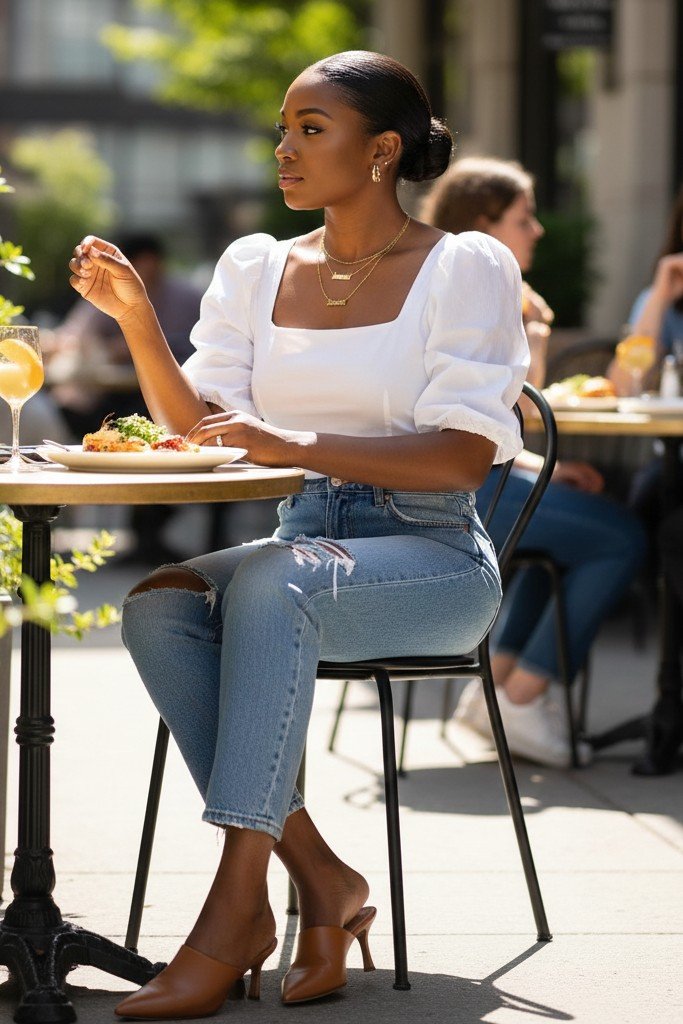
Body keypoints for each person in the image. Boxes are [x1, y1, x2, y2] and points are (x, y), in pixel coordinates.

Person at [69, 52, 528, 1018]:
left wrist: (289, 440)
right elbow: (200, 427)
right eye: (284, 127)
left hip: (432, 559)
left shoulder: (464, 268)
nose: (284, 147)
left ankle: (235, 910)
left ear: (381, 151)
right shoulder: (258, 265)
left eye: (311, 129)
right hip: (303, 543)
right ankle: (323, 878)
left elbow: (457, 462)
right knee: (160, 605)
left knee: (272, 583)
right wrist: (139, 321)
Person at [421, 156, 647, 768]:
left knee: (569, 536)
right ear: (485, 225)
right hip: (470, 496)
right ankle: (523, 696)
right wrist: (538, 340)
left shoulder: (426, 275)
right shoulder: (491, 292)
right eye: (525, 217)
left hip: (450, 484)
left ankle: (495, 688)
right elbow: (506, 413)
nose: (538, 230)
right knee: (621, 537)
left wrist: (531, 463)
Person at [55, 233, 205, 563]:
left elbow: (201, 347)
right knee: (130, 426)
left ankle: (151, 526)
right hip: (115, 399)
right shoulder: (105, 293)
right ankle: (146, 530)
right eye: (141, 266)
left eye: (154, 266)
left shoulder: (187, 297)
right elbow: (73, 339)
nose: (148, 273)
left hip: (175, 402)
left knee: (167, 430)